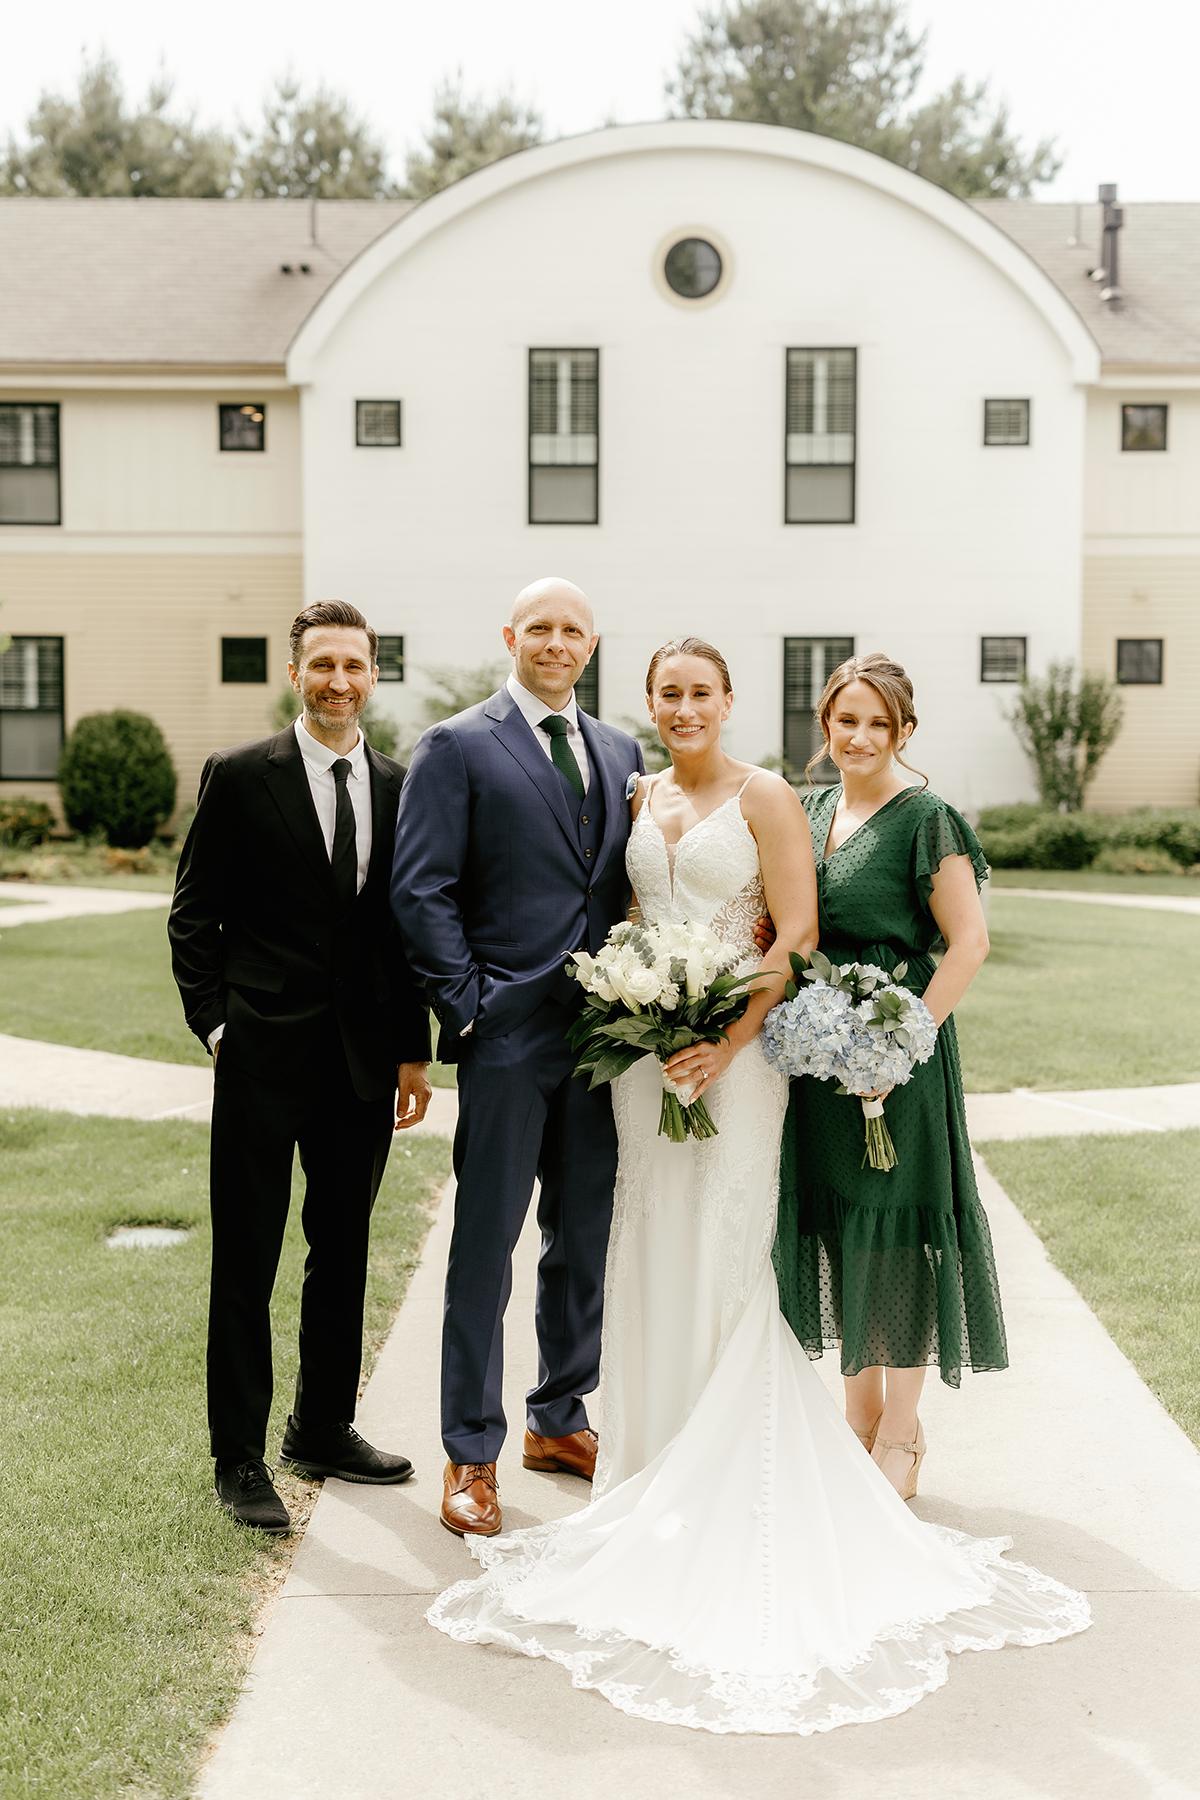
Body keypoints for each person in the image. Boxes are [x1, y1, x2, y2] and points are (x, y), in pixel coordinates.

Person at [427, 637, 1088, 1735]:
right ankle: (647, 1465)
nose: (684, 707)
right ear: (650, 703)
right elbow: (623, 918)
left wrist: (725, 1042)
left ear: (730, 700)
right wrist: (644, 1013)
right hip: (646, 1061)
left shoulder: (771, 794)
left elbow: (797, 931)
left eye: (702, 692)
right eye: (668, 693)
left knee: (730, 1247)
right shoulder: (636, 792)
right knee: (648, 1238)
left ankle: (756, 1463)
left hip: (736, 1062)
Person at [169, 600, 432, 1534]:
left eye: (354, 666)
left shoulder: (401, 785)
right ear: (296, 673)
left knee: (343, 1247)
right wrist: (216, 1027)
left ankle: (321, 1428)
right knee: (247, 1255)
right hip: (260, 1054)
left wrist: (412, 1049)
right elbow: (192, 915)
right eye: (323, 664)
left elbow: (403, 930)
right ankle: (238, 1456)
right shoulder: (242, 775)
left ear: (373, 676)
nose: (338, 681)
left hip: (361, 1062)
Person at [391, 577, 644, 1539]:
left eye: (573, 629)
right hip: (504, 1037)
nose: (555, 642)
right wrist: (469, 1007)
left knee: (582, 1239)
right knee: (484, 1248)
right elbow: (421, 891)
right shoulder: (457, 745)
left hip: (602, 1037)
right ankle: (470, 1453)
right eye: (540, 627)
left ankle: (558, 1419)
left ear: (592, 645)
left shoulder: (620, 750)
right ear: (511, 636)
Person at [775, 652, 1007, 1499]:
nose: (861, 737)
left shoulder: (927, 819)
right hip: (817, 1056)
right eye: (848, 720)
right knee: (843, 1224)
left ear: (905, 731)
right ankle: (859, 1416)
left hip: (897, 1055)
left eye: (880, 723)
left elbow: (969, 943)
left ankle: (903, 1432)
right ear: (826, 725)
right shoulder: (807, 809)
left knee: (898, 1231)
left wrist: (898, 1048)